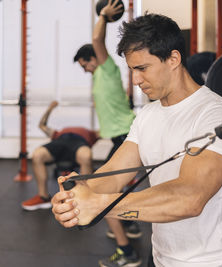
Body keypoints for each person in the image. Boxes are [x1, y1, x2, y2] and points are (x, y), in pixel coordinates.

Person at [52, 13, 222, 267]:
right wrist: (79, 193)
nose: (135, 80)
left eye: (142, 68)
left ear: (173, 59)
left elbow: (189, 198)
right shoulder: (148, 115)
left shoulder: (216, 116)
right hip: (159, 258)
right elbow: (114, 173)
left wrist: (100, 205)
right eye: (132, 70)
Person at [73, 1, 141, 266]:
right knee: (113, 189)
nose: (85, 70)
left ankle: (126, 252)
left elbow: (96, 38)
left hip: (127, 137)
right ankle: (129, 227)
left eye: (84, 65)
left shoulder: (107, 68)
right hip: (121, 137)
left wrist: (102, 15)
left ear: (94, 58)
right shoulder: (100, 78)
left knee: (101, 194)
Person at [21, 101, 99, 210]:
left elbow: (107, 129)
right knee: (37, 154)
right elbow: (42, 125)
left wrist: (100, 109)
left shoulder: (90, 133)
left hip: (79, 143)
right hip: (60, 141)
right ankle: (43, 197)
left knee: (86, 155)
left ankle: (85, 197)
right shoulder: (58, 133)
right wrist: (50, 108)